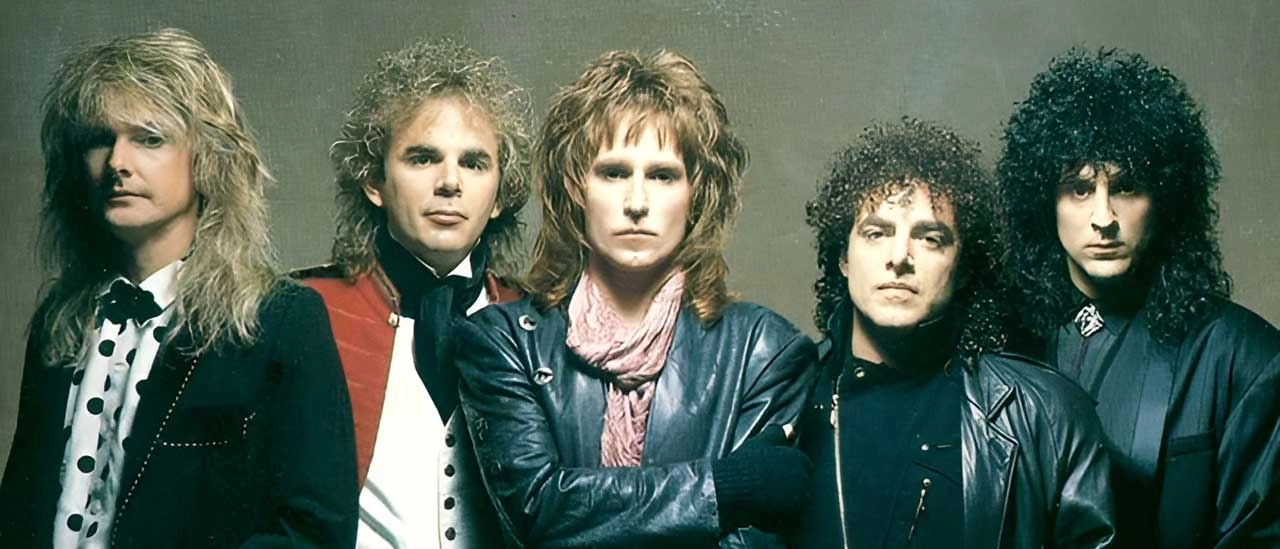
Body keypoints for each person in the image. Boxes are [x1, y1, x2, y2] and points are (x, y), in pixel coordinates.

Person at [0, 29, 357, 547]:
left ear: (206, 156)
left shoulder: (281, 319)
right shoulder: (60, 319)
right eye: (99, 139)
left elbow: (314, 533)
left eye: (149, 138)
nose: (117, 162)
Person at [453, 50, 817, 548]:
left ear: (697, 194)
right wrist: (723, 488)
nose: (637, 203)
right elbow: (535, 511)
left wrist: (586, 508)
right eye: (614, 172)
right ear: (576, 189)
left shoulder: (764, 351)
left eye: (663, 175)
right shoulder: (504, 341)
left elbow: (749, 540)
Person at [997, 48, 1280, 548]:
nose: (1103, 218)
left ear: (1165, 197)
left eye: (1126, 187)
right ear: (1044, 201)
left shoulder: (1244, 356)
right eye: (1079, 189)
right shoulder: (1003, 338)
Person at [790, 118, 1115, 548]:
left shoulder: (1048, 414)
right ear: (843, 258)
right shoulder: (782, 399)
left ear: (962, 267)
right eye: (876, 233)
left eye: (930, 238)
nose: (899, 257)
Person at [295, 38, 530, 548]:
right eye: (423, 159)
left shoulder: (536, 323)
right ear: (374, 182)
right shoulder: (306, 311)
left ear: (499, 196)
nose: (450, 183)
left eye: (474, 163)